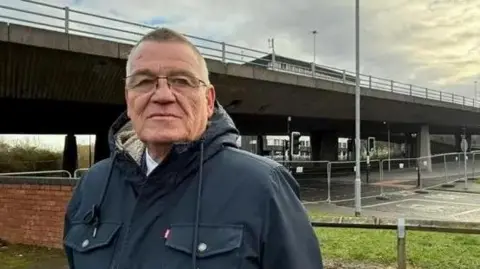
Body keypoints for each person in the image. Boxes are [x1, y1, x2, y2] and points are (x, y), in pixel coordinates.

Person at [63, 27, 323, 269]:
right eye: (144, 81)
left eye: (182, 81)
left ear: (209, 101)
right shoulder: (93, 185)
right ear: (128, 99)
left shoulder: (264, 186)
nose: (163, 95)